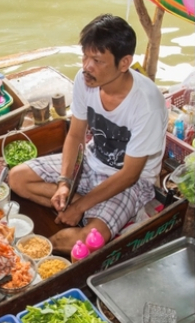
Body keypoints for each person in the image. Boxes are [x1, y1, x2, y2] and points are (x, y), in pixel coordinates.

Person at [9, 14, 167, 256]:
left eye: (97, 60)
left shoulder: (147, 104)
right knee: (17, 178)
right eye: (85, 56)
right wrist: (64, 182)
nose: (86, 66)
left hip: (130, 183)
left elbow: (130, 174)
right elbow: (75, 136)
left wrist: (80, 205)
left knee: (84, 241)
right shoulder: (85, 81)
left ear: (124, 63)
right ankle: (83, 204)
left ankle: (57, 230)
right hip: (91, 162)